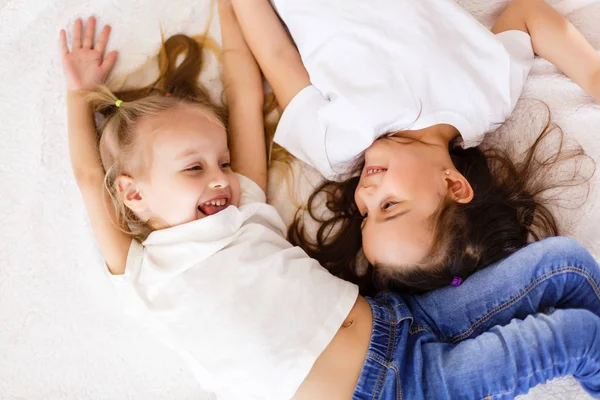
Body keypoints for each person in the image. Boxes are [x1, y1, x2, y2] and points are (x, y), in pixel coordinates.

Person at [60, 6, 600, 400]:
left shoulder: (243, 206)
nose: (221, 177)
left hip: (401, 320)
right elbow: (89, 177)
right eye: (194, 168)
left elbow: (243, 85)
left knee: (565, 263)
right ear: (133, 193)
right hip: (401, 392)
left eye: (221, 161)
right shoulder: (142, 271)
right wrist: (77, 94)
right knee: (576, 335)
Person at [228, 0, 599, 292]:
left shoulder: (335, 147)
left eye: (365, 215)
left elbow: (276, 54)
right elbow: (528, 14)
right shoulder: (487, 100)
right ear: (454, 184)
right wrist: (592, 75)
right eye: (388, 206)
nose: (366, 195)